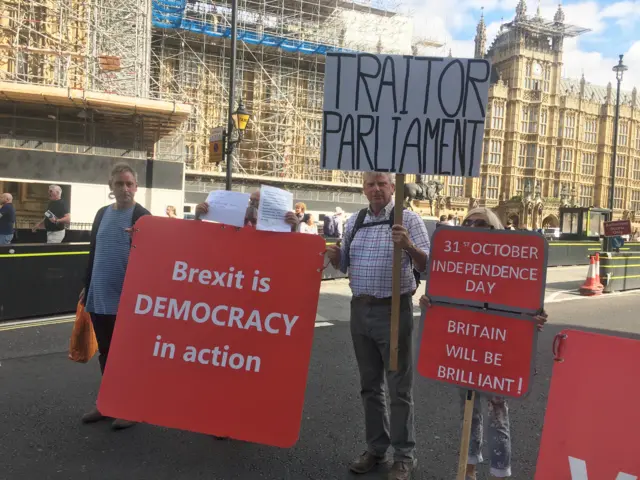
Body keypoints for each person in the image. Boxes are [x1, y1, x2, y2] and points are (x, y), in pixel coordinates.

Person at [419, 207, 548, 480]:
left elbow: (527, 303)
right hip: (465, 346)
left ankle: (500, 471)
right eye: (468, 222)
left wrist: (535, 319)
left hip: (498, 350)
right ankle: (468, 469)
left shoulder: (512, 264)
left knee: (497, 413)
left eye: (480, 223)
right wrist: (430, 304)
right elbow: (444, 299)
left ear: (494, 228)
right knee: (470, 410)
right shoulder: (456, 260)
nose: (472, 226)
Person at [326, 172, 430, 480]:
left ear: (393, 187)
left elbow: (430, 264)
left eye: (382, 183)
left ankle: (404, 455)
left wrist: (409, 246)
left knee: (399, 388)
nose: (376, 189)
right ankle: (376, 447)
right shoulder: (355, 221)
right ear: (363, 188)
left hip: (393, 309)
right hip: (360, 309)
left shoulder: (407, 219)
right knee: (369, 386)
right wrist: (335, 255)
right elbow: (344, 264)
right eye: (370, 184)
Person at [79, 163, 151, 430]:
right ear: (111, 187)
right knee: (107, 352)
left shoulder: (142, 216)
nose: (125, 189)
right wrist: (87, 284)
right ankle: (108, 403)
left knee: (128, 355)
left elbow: (152, 258)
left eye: (129, 184)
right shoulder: (101, 214)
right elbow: (94, 252)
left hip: (128, 298)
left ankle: (131, 407)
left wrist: (142, 240)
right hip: (100, 294)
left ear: (136, 186)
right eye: (119, 184)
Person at [195, 190, 300, 231]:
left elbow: (289, 246)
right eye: (251, 200)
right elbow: (208, 236)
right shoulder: (236, 221)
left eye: (257, 201)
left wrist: (294, 226)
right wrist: (198, 216)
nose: (253, 203)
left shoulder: (275, 225)